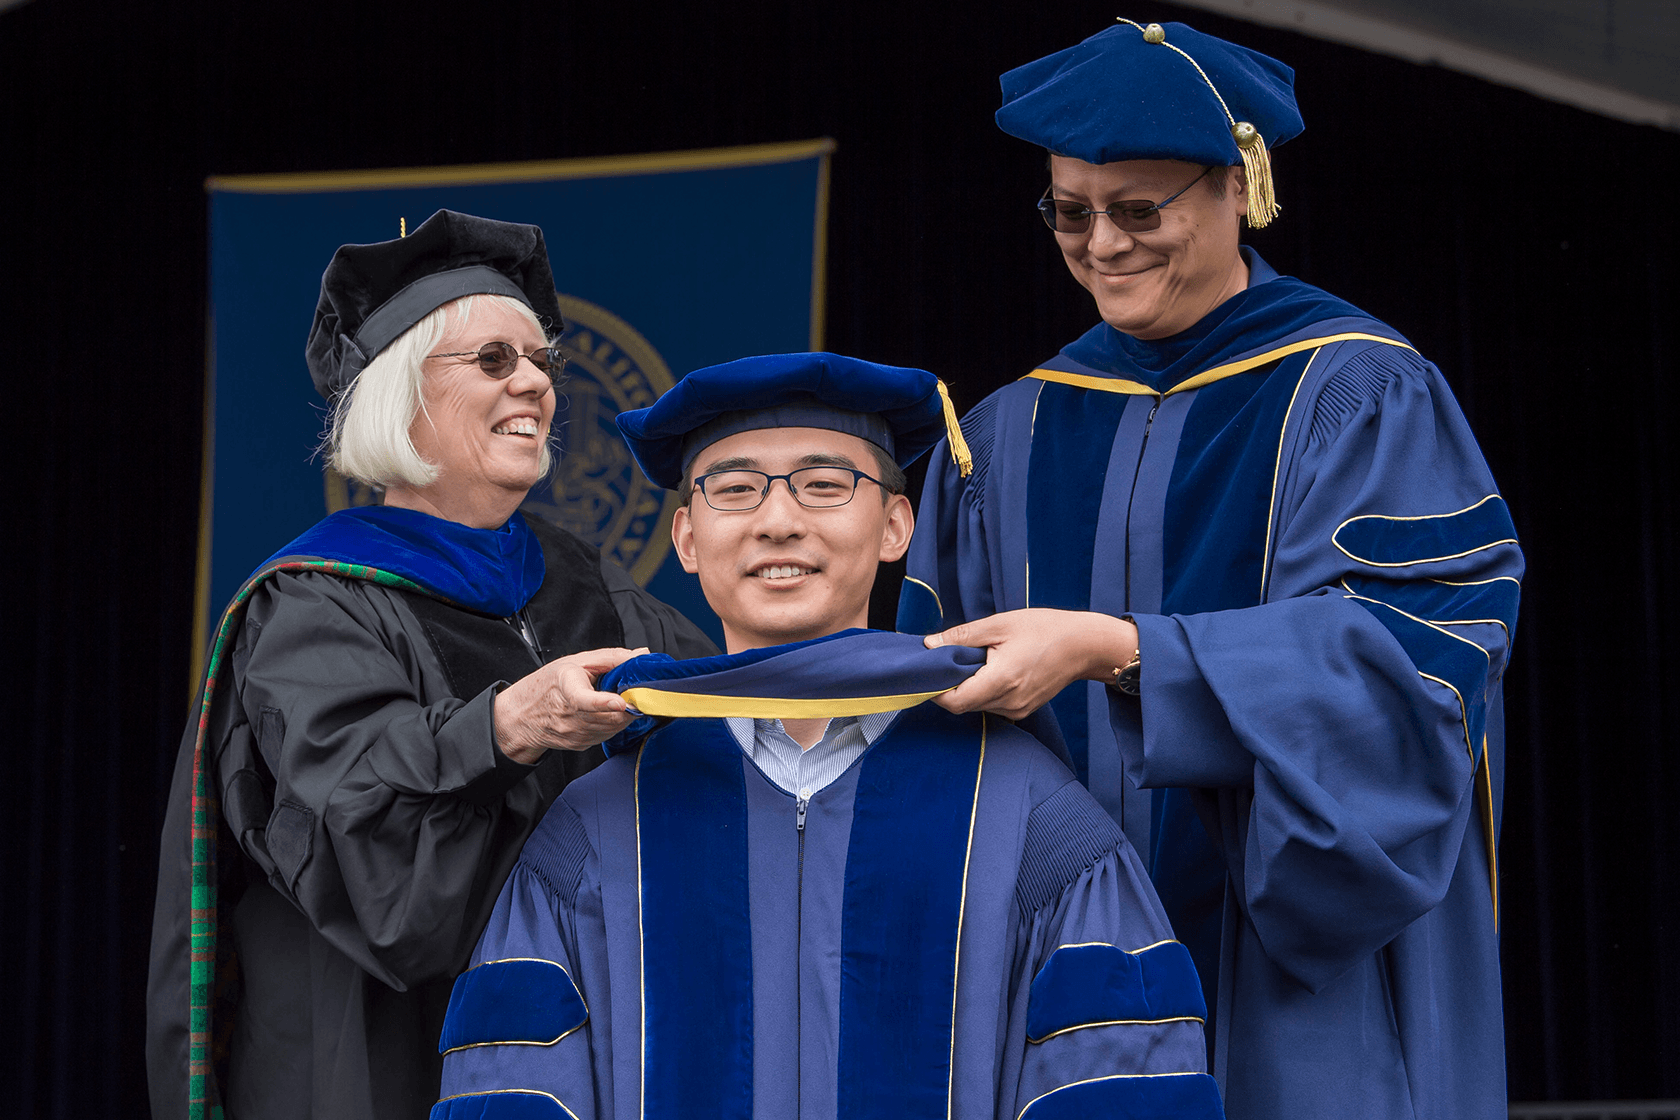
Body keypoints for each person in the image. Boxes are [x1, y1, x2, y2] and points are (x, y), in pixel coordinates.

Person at [898, 20, 1522, 1120]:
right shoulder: (1003, 434)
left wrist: (1125, 651)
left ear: (1241, 189)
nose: (1101, 245)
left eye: (1139, 210)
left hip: (1296, 969)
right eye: (1070, 211)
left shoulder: (1357, 394)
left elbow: (1411, 663)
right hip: (1060, 976)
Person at [430, 352, 1224, 1119]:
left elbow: (1120, 1086)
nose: (779, 520)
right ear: (687, 540)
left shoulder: (1029, 815)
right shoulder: (595, 829)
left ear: (895, 527)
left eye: (824, 485)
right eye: (735, 489)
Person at [146, 210, 715, 1120]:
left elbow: (734, 730)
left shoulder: (588, 588)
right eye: (495, 360)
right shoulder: (311, 605)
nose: (535, 381)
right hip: (376, 1064)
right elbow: (375, 865)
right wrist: (508, 727)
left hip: (577, 1055)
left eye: (542, 361)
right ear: (399, 396)